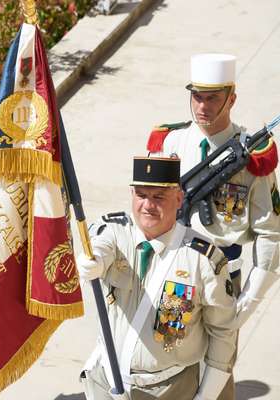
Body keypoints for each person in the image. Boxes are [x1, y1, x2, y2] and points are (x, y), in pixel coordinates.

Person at [147, 53, 280, 399]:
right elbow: (147, 209)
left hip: (225, 283)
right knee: (168, 362)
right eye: (197, 96)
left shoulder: (252, 155)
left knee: (217, 375)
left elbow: (271, 233)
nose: (202, 107)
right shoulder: (170, 143)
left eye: (213, 98)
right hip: (176, 277)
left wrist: (250, 301)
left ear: (231, 99)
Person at [78, 156, 237, 400]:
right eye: (141, 195)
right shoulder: (115, 232)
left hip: (170, 388)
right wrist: (94, 261)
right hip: (107, 381)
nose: (148, 205)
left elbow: (223, 332)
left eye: (158, 197)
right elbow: (101, 246)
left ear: (179, 198)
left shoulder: (202, 259)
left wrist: (206, 395)